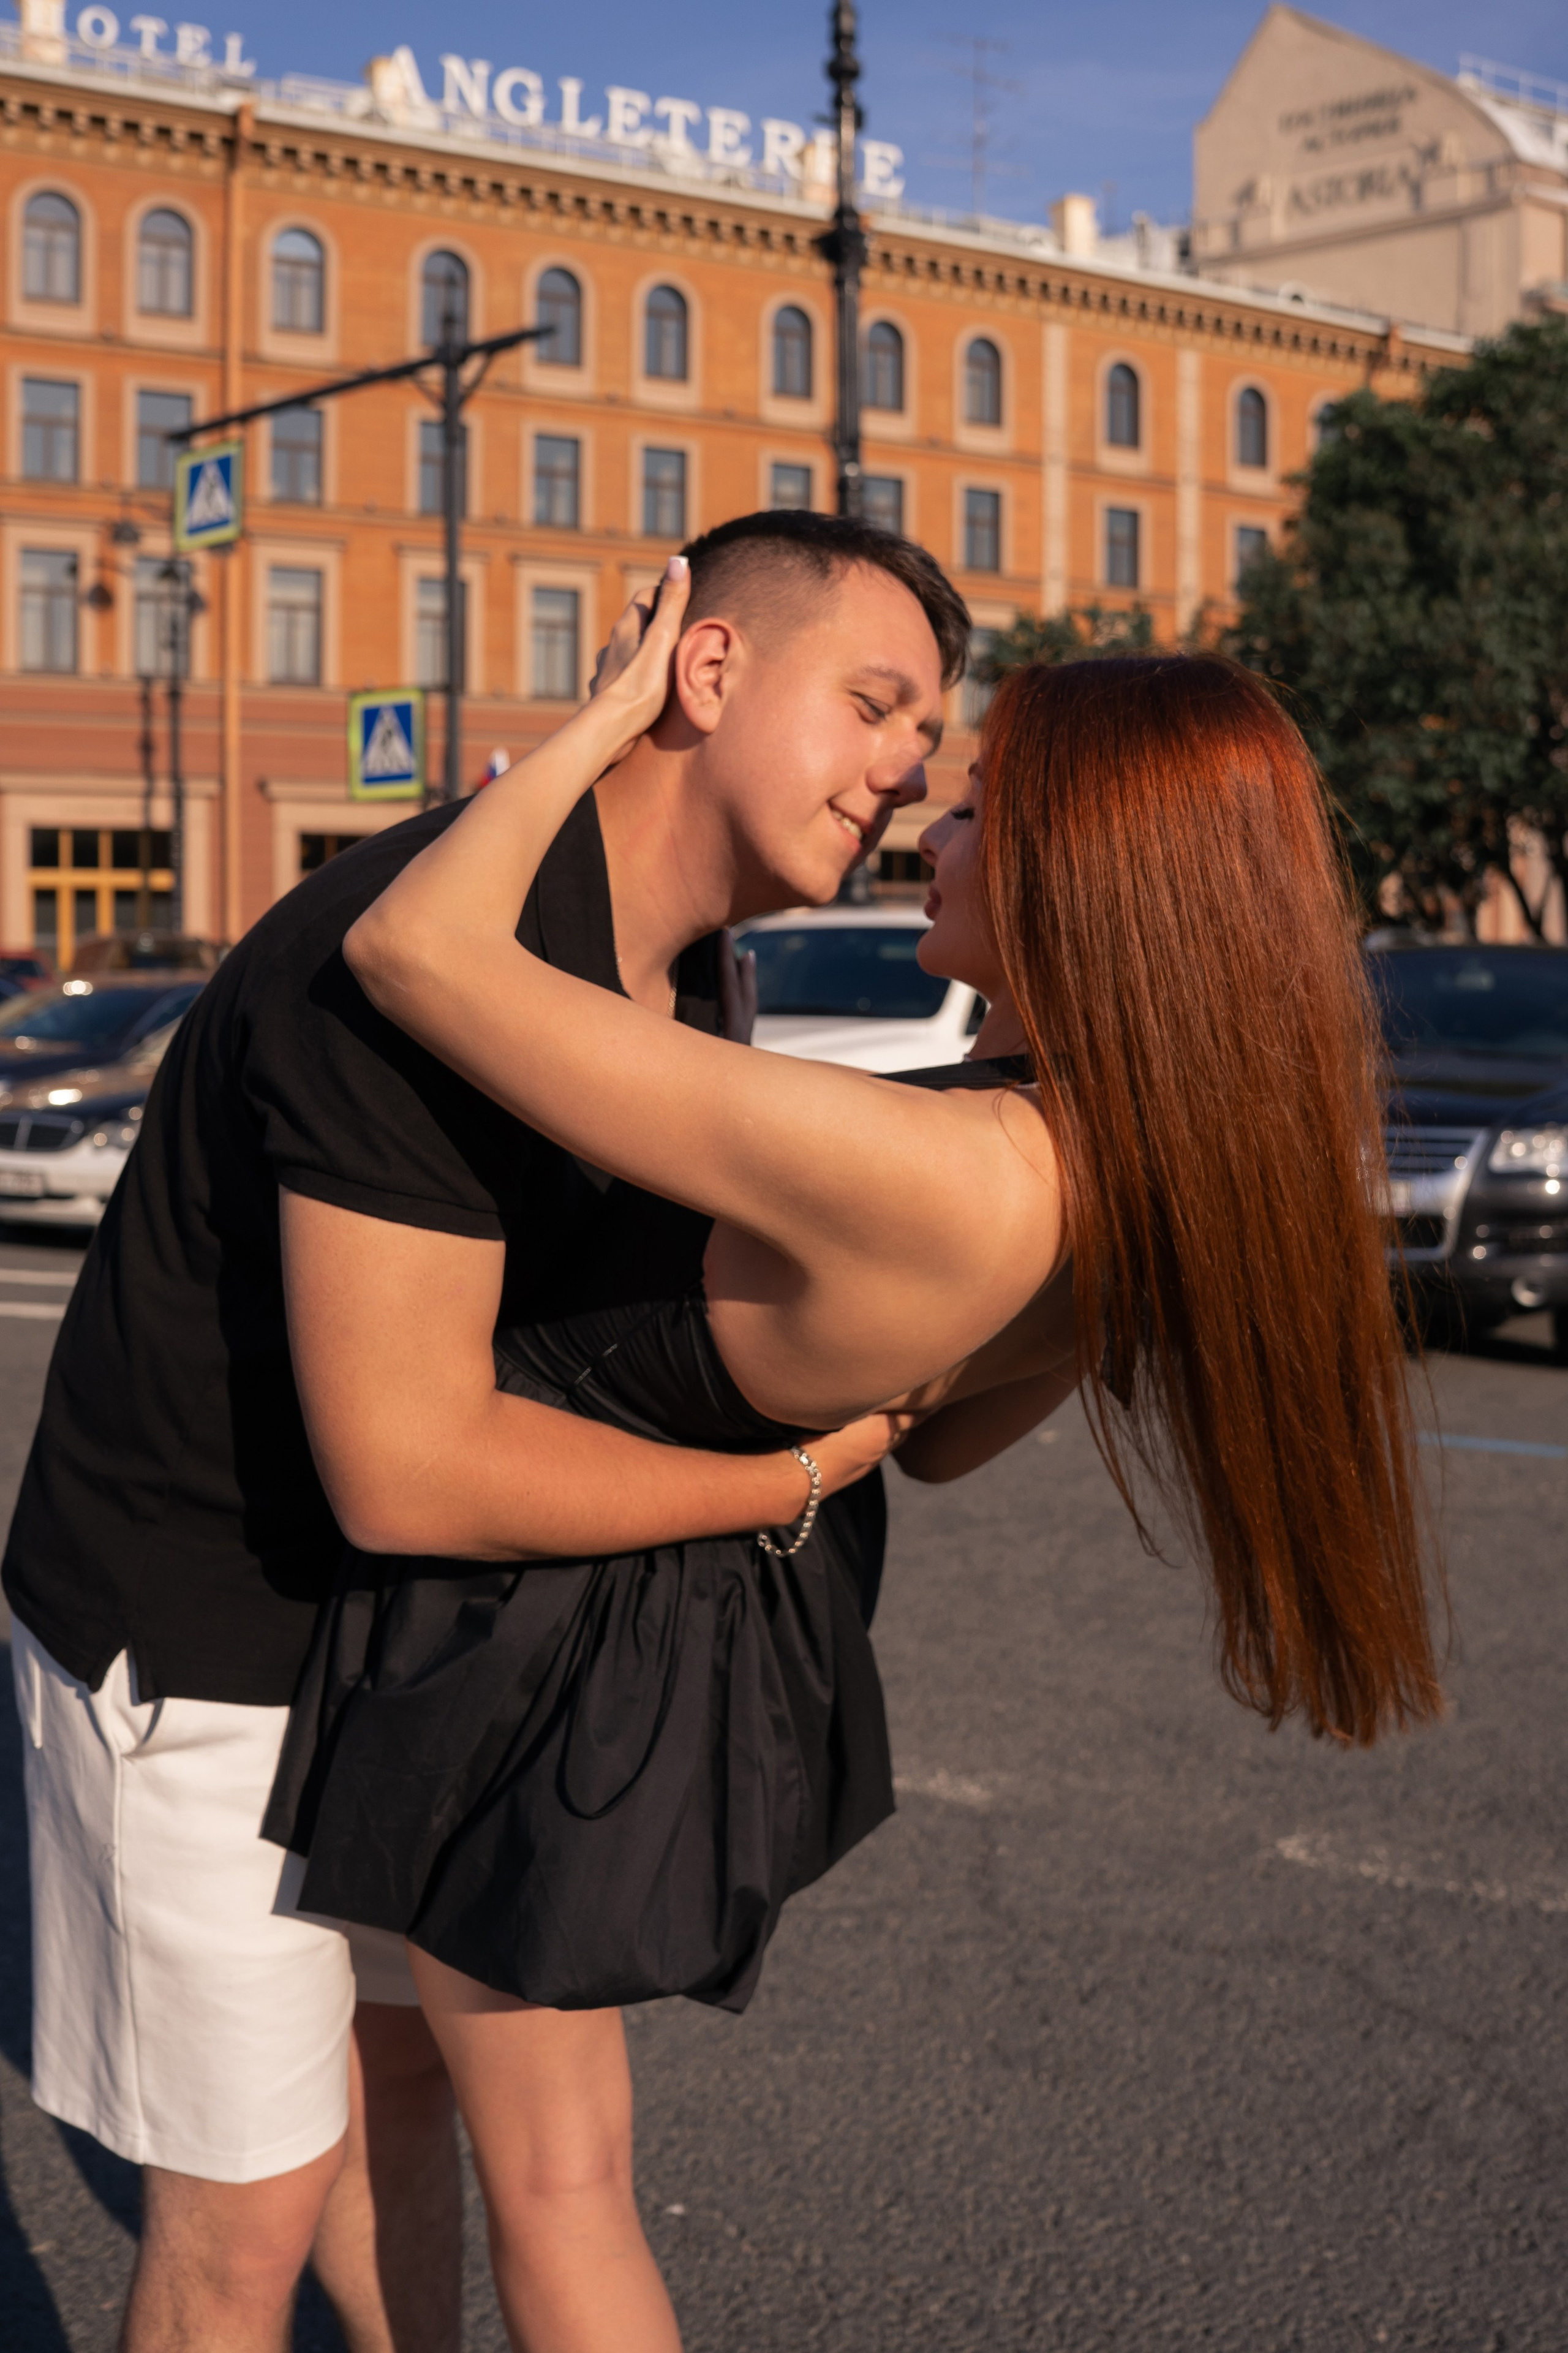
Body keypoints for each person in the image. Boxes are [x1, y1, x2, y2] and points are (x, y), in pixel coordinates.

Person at [279, 553, 1442, 2351]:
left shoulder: (939, 1167)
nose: (927, 826)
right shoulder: (1112, 1170)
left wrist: (607, 716)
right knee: (486, 2122)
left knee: (561, 2189)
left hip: (536, 1640)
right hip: (677, 1644)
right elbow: (943, 1442)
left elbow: (410, 953)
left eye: (977, 812)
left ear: (1082, 874)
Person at [2, 510, 974, 2352]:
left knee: (411, 2098)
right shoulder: (437, 950)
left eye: (927, 735)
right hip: (208, 1644)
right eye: (874, 706)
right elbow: (411, 1464)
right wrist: (785, 1480)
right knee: (242, 2225)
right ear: (704, 670)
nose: (909, 771)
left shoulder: (695, 968)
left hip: (432, 1648)